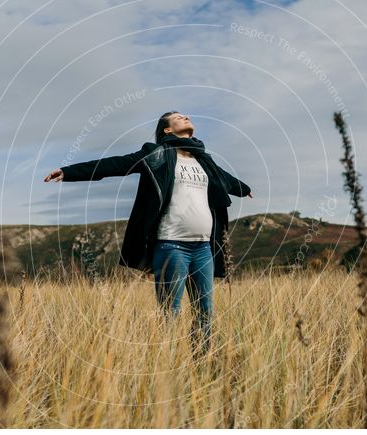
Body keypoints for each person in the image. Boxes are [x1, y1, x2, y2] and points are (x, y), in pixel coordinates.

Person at [44, 111, 253, 357]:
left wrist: (244, 188)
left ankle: (202, 363)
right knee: (169, 313)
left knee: (204, 311)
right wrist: (69, 172)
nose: (185, 117)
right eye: (178, 117)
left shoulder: (203, 160)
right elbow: (115, 164)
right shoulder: (156, 155)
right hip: (172, 246)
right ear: (167, 129)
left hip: (203, 248)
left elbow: (225, 180)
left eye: (185, 115)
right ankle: (167, 365)